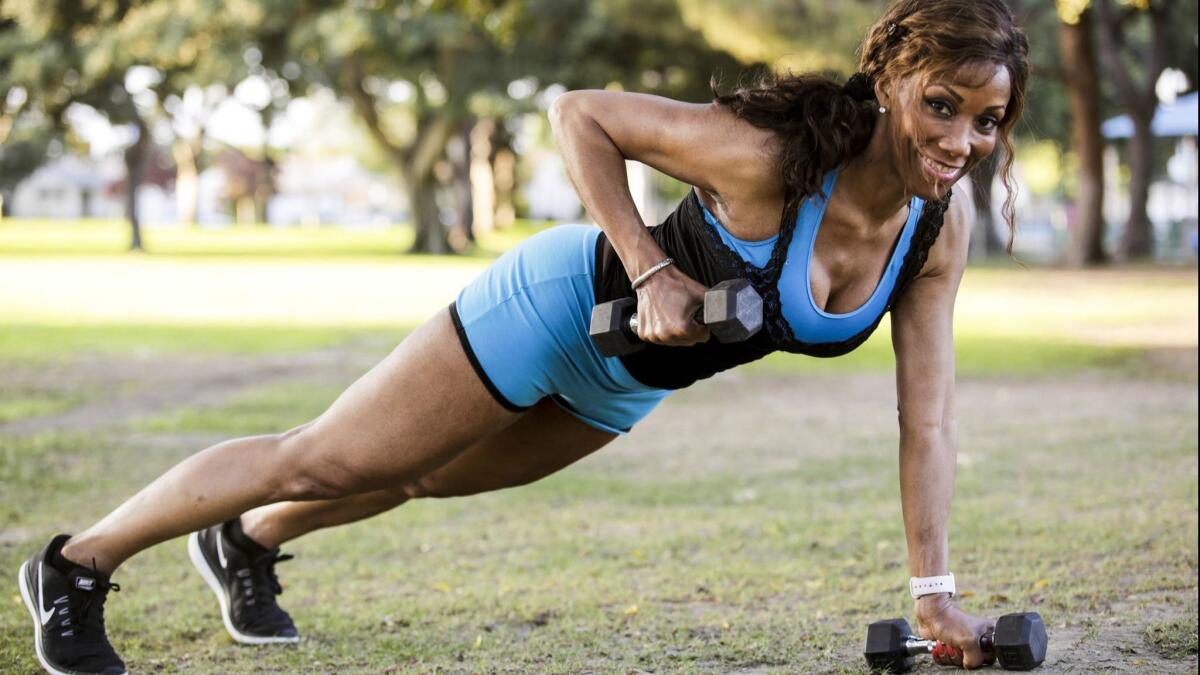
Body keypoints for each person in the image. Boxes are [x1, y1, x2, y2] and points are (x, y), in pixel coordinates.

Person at [16, 0, 1029, 672]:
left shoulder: (939, 226)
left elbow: (927, 423)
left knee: (422, 477)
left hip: (628, 380)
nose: (960, 140)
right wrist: (651, 264)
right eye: (942, 105)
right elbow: (581, 112)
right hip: (558, 307)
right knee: (327, 458)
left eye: (987, 122)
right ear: (889, 78)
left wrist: (934, 596)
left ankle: (245, 537)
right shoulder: (770, 157)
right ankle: (76, 567)